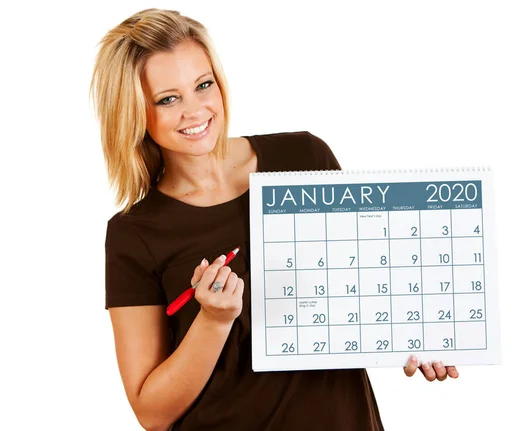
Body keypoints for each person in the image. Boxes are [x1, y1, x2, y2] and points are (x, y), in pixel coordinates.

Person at [90, 8, 458, 431]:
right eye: (168, 99)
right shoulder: (133, 233)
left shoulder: (305, 159)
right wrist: (213, 320)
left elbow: (372, 289)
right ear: (135, 111)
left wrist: (424, 332)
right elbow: (151, 413)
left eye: (203, 85)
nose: (195, 110)